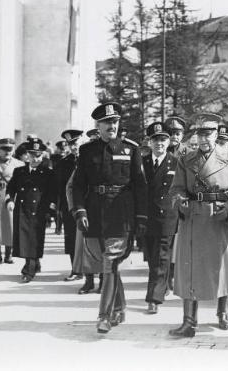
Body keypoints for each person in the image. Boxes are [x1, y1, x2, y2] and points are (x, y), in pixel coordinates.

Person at [168, 113, 228, 337]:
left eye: (209, 134)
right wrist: (180, 202)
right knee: (189, 269)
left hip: (220, 218)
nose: (204, 139)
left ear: (217, 134)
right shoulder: (186, 159)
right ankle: (189, 321)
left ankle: (222, 312)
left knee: (222, 268)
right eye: (200, 134)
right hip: (194, 217)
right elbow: (175, 188)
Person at [72, 102, 148, 334]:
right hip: (94, 213)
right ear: (98, 125)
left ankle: (104, 316)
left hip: (120, 214)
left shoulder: (130, 149)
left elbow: (140, 186)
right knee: (107, 264)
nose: (112, 126)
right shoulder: (87, 151)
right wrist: (80, 211)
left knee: (109, 262)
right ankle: (120, 307)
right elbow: (78, 185)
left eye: (115, 122)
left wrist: (141, 217)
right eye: (107, 123)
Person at [6, 138, 56, 282]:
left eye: (38, 155)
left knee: (34, 239)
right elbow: (11, 188)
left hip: (38, 210)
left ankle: (29, 270)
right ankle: (35, 263)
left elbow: (52, 194)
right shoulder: (19, 171)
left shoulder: (47, 173)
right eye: (32, 154)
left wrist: (50, 212)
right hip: (21, 210)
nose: (35, 158)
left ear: (43, 156)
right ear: (27, 155)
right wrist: (9, 200)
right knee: (24, 239)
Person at [142, 122, 179, 314]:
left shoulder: (176, 163)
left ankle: (154, 298)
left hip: (167, 217)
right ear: (149, 142)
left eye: (163, 139)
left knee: (161, 258)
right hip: (147, 218)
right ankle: (160, 288)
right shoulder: (142, 163)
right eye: (155, 139)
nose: (159, 143)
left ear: (169, 141)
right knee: (151, 258)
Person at [55, 129, 84, 281]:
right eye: (70, 144)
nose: (73, 147)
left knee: (89, 238)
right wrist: (60, 207)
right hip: (69, 207)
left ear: (82, 140)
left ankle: (92, 270)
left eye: (76, 143)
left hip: (87, 206)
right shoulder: (63, 163)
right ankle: (75, 269)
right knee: (71, 237)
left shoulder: (89, 159)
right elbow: (60, 188)